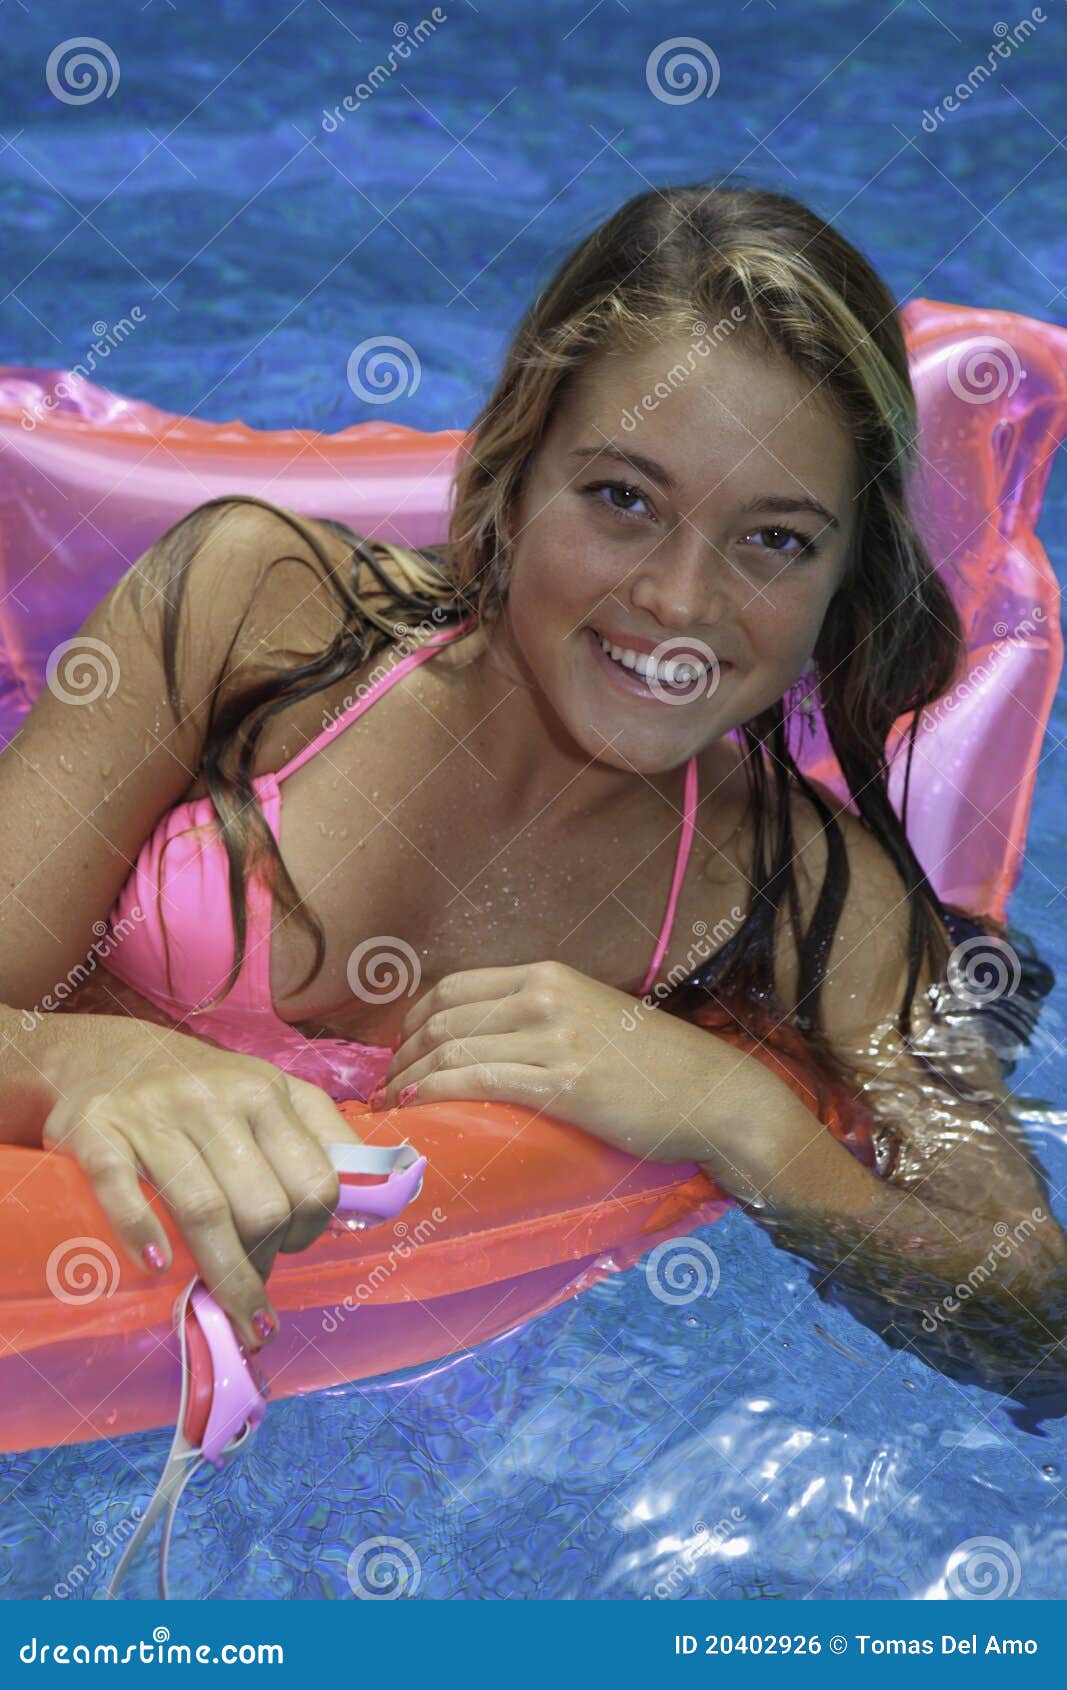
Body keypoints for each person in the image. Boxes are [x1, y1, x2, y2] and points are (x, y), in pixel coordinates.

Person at [1, 180, 1064, 1411]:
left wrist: (742, 1120)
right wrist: (87, 1062)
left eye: (772, 539)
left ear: (844, 577)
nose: (677, 599)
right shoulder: (256, 621)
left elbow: (1031, 1315)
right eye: (622, 498)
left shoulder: (808, 897)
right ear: (513, 469)